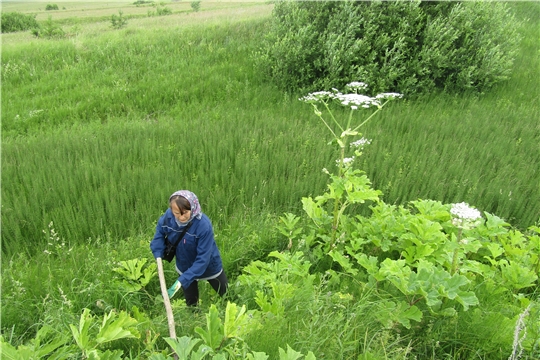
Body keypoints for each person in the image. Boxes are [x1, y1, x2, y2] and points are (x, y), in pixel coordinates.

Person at [150, 190, 228, 306]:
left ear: (193, 207)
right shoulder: (169, 216)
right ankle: (194, 314)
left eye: (185, 212)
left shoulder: (203, 225)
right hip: (184, 264)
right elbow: (160, 232)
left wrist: (183, 279)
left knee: (225, 293)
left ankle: (230, 307)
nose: (181, 217)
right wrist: (157, 251)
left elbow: (203, 259)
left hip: (208, 266)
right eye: (176, 213)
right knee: (191, 301)